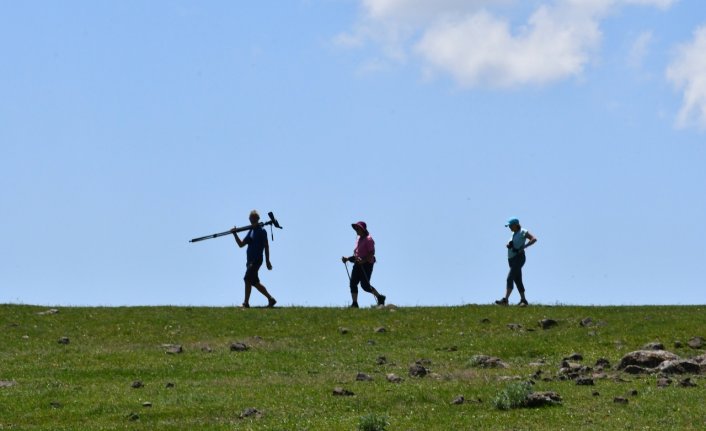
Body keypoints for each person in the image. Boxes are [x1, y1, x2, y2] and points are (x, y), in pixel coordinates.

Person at [231, 210, 277, 308]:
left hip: (256, 260)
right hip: (249, 261)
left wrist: (268, 261)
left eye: (254, 218)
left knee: (247, 278)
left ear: (257, 219)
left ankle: (245, 303)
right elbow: (241, 244)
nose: (252, 220)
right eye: (251, 218)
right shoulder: (251, 231)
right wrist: (235, 234)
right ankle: (271, 299)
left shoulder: (262, 231)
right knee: (254, 282)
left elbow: (266, 246)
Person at [341, 221, 386, 308]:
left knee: (365, 286)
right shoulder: (359, 239)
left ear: (362, 229)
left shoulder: (369, 239)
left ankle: (380, 297)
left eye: (358, 228)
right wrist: (347, 259)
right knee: (353, 283)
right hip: (358, 264)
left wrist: (363, 260)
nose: (356, 230)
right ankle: (354, 304)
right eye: (356, 228)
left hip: (367, 264)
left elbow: (371, 253)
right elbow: (357, 255)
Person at [495, 218, 537, 307]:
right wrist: (508, 245)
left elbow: (533, 239)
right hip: (511, 259)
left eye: (510, 225)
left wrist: (524, 246)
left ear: (515, 224)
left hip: (519, 258)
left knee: (509, 278)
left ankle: (505, 300)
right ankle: (523, 300)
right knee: (517, 280)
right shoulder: (513, 234)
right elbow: (511, 244)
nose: (509, 227)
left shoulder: (523, 231)